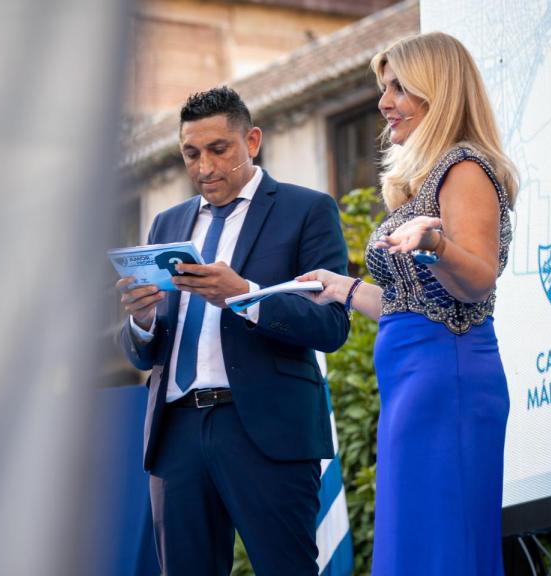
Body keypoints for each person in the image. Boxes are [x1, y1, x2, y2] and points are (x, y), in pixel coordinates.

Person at [298, 32, 518, 575]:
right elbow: (411, 302)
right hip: (414, 379)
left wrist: (435, 244)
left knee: (440, 546)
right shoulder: (425, 179)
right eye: (384, 88)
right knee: (416, 543)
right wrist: (342, 288)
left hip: (448, 378)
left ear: (436, 90)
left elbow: (478, 280)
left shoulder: (464, 168)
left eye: (398, 87)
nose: (384, 102)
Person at [116, 86, 350, 575]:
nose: (204, 167)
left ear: (252, 141)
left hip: (266, 430)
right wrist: (140, 320)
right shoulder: (166, 224)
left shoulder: (307, 209)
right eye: (191, 154)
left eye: (218, 149)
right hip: (176, 434)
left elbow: (331, 326)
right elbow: (144, 353)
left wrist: (245, 295)